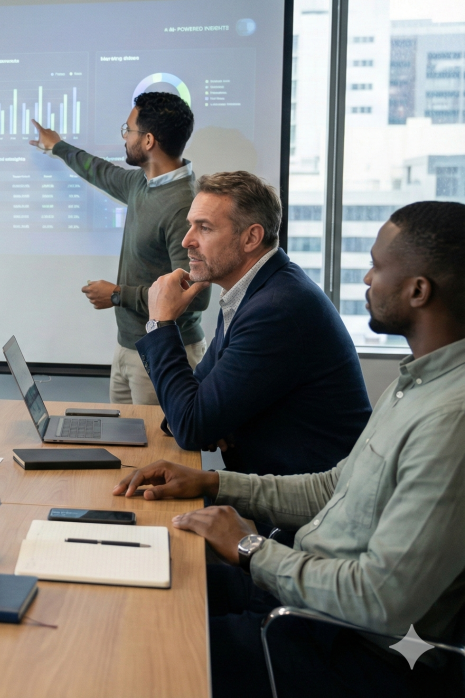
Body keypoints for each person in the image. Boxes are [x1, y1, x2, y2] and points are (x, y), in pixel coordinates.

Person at [114, 201, 465, 698]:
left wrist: (250, 547)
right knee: (139, 582)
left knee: (142, 646)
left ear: (418, 290)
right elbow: (335, 485)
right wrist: (212, 483)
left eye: (378, 266)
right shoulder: (415, 382)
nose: (366, 277)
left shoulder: (451, 419)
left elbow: (378, 599)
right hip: (302, 585)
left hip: (347, 645)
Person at [137, 171, 371, 476]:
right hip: (265, 482)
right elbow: (195, 405)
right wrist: (195, 416)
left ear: (251, 237)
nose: (186, 241)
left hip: (305, 506)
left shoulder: (276, 308)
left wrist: (162, 322)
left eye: (204, 228)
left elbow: (192, 424)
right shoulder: (252, 290)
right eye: (190, 226)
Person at [30, 92, 210, 405]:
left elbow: (194, 294)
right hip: (130, 347)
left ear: (149, 140)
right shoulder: (143, 184)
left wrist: (117, 294)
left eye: (128, 131)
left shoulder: (183, 205)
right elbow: (99, 170)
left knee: (160, 451)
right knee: (124, 450)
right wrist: (57, 146)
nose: (125, 138)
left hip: (166, 354)